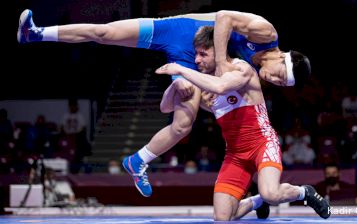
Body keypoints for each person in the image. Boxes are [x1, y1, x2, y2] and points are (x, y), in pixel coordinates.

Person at [17, 9, 311, 199]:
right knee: (103, 33)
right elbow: (223, 18)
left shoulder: (249, 69)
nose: (273, 79)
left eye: (279, 84)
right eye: (280, 76)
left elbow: (221, 90)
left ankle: (138, 161)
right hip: (177, 30)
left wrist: (208, 90)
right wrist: (221, 64)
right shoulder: (266, 33)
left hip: (191, 60)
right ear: (285, 58)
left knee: (183, 123)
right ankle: (36, 33)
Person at [155, 26, 329, 221]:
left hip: (262, 144)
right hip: (235, 155)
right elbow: (166, 108)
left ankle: (304, 192)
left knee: (271, 193)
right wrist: (175, 84)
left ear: (218, 50)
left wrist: (180, 69)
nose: (197, 60)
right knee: (223, 218)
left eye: (203, 54)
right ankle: (256, 201)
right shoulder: (202, 83)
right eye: (196, 55)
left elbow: (221, 86)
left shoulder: (241, 69)